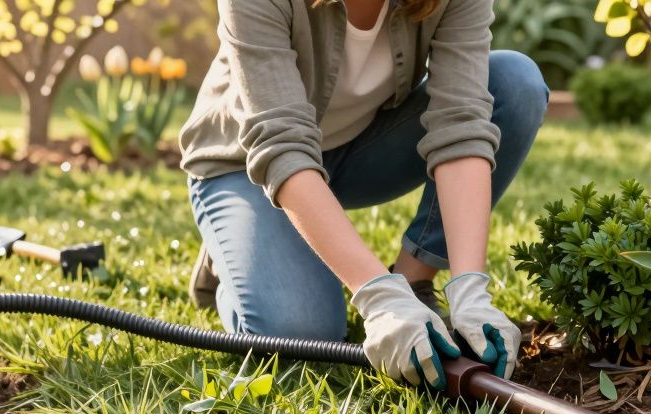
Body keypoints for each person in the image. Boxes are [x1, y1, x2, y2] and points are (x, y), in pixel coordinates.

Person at [180, 0, 547, 389]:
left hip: (358, 150)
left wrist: (471, 288)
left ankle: (414, 281)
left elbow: (462, 122)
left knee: (513, 82)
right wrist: (378, 298)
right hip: (246, 165)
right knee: (300, 334)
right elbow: (282, 147)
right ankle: (233, 247)